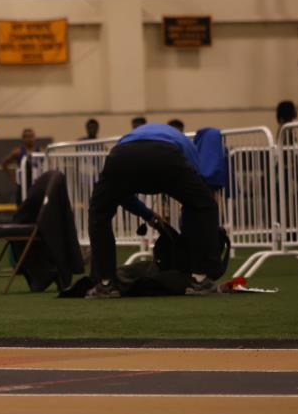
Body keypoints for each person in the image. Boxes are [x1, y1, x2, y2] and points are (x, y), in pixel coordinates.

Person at [86, 122, 220, 299]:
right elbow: (197, 199)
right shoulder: (188, 146)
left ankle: (106, 284)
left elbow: (121, 195)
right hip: (166, 156)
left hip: (121, 156)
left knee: (99, 213)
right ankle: (200, 279)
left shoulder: (132, 137)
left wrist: (147, 214)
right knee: (206, 206)